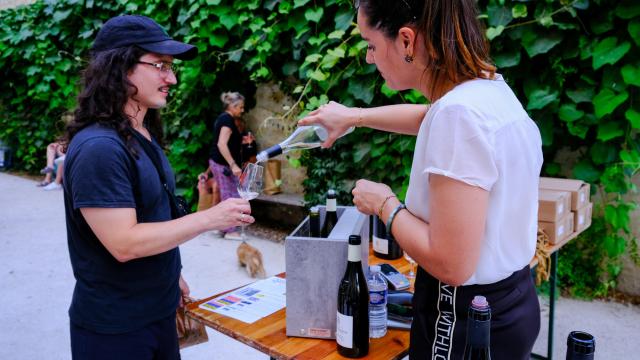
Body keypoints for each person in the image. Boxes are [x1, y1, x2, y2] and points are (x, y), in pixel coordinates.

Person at [299, 1, 543, 359]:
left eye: (370, 45)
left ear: (406, 41)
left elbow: (452, 264)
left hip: (462, 321)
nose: (369, 58)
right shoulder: (487, 91)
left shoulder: (458, 116)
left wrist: (384, 204)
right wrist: (353, 117)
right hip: (511, 304)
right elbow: (427, 118)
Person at [61, 15, 254, 359]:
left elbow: (153, 215)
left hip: (158, 311)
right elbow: (124, 243)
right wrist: (212, 217)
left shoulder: (141, 133)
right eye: (161, 65)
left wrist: (171, 274)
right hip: (117, 330)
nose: (172, 78)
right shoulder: (99, 149)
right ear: (119, 67)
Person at [209, 92, 246, 240]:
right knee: (230, 196)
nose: (242, 110)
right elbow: (221, 144)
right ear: (233, 106)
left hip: (220, 163)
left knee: (228, 194)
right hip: (223, 165)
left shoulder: (225, 119)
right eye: (241, 107)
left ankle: (222, 228)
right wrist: (233, 165)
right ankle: (230, 231)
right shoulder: (227, 120)